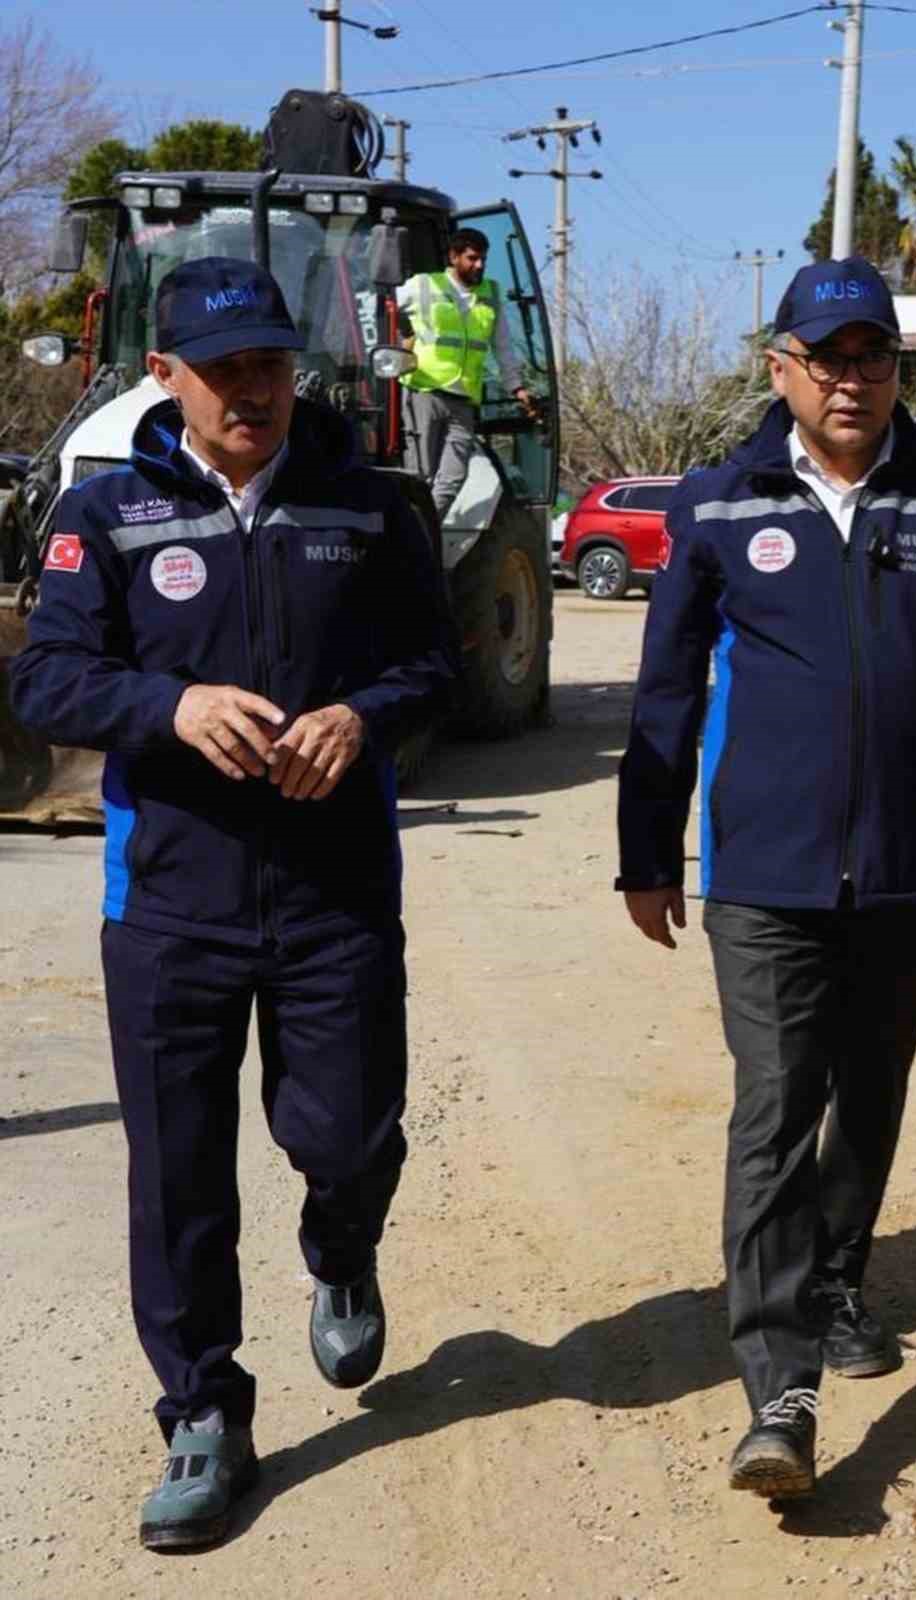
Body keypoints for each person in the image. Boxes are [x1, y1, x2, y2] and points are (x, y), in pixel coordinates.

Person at [615, 257, 916, 1500]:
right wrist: (646, 851)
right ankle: (780, 1388)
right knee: (777, 1101)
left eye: (872, 357)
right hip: (763, 870)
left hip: (902, 864)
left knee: (867, 1089)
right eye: (826, 359)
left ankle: (834, 1279)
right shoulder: (719, 504)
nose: (850, 381)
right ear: (781, 369)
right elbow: (664, 690)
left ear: (895, 370)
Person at [9, 257, 456, 1551]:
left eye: (268, 363)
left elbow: (433, 665)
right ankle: (203, 1410)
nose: (250, 390)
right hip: (170, 906)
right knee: (179, 1179)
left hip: (335, 898)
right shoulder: (107, 513)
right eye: (220, 370)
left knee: (349, 1135)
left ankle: (342, 1244)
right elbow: (46, 681)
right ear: (165, 375)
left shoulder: (367, 506)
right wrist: (172, 707)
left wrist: (360, 720)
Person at [397, 226, 536, 517]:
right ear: (454, 257)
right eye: (472, 258)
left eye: (483, 259)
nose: (479, 265)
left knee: (454, 477)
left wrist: (516, 387)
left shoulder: (491, 294)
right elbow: (383, 306)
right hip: (424, 392)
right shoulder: (423, 285)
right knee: (420, 475)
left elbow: (503, 347)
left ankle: (422, 527)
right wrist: (399, 338)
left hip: (464, 400)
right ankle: (415, 531)